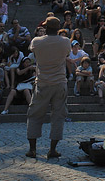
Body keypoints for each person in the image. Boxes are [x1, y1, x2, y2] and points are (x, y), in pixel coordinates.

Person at [26, 16, 71, 159]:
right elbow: (67, 55)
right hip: (59, 83)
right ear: (58, 28)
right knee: (58, 117)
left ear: (46, 27)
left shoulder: (37, 41)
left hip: (43, 83)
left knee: (34, 115)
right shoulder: (65, 42)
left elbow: (32, 51)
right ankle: (52, 150)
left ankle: (32, 149)